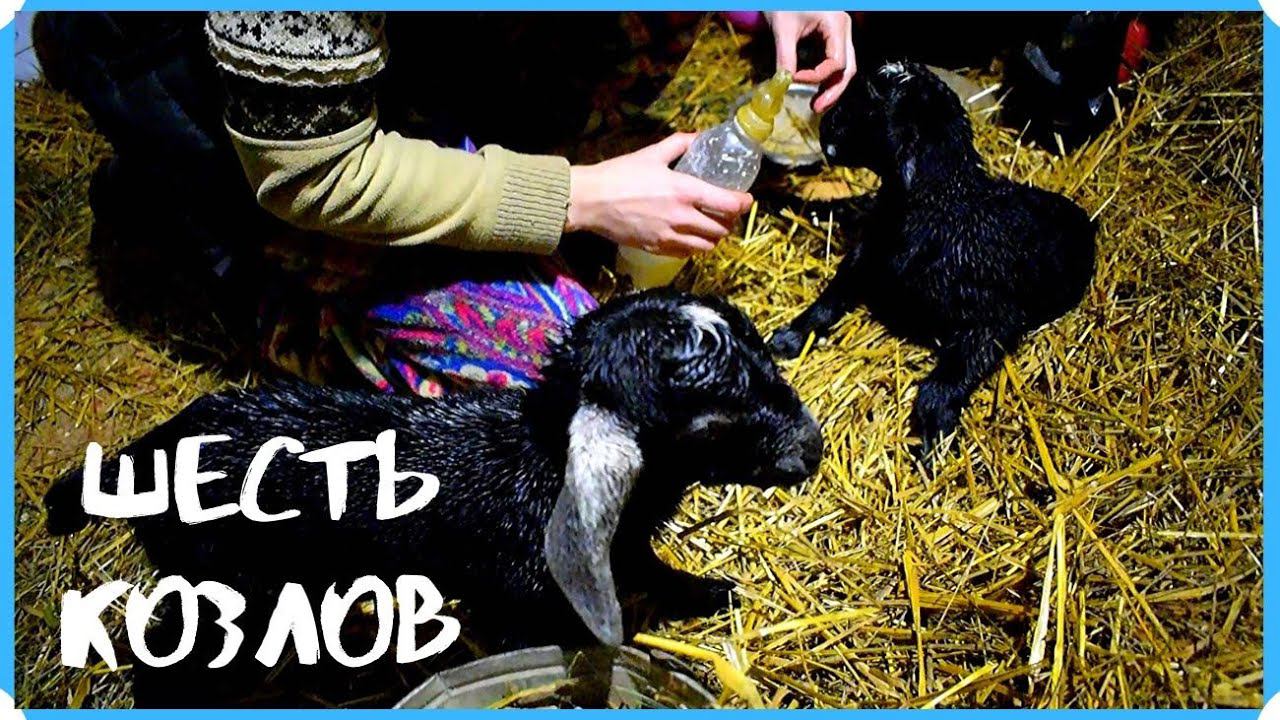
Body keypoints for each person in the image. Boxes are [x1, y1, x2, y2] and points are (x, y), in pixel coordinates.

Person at [38, 11, 856, 396]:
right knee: (563, 370)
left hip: (398, 47)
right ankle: (257, 279)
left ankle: (471, 125)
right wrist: (574, 197)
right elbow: (314, 172)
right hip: (250, 114)